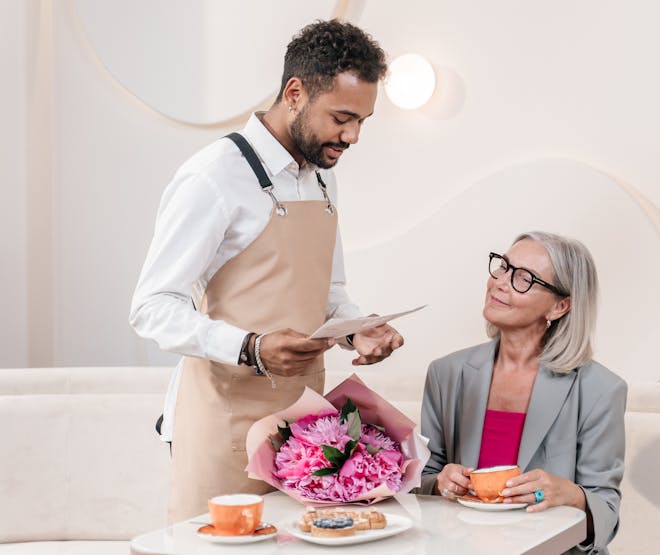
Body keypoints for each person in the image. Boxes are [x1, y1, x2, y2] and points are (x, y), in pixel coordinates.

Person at [129, 19, 403, 523]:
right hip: (223, 420)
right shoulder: (214, 176)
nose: (354, 135)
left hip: (302, 423)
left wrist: (358, 330)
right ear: (295, 92)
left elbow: (329, 290)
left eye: (364, 120)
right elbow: (151, 308)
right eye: (342, 117)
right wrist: (251, 348)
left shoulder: (321, 180)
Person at [418, 231, 626, 554]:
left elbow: (606, 516)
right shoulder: (446, 374)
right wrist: (440, 482)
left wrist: (570, 494)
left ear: (560, 306)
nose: (500, 282)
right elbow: (423, 481)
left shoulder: (599, 390)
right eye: (503, 267)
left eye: (524, 279)